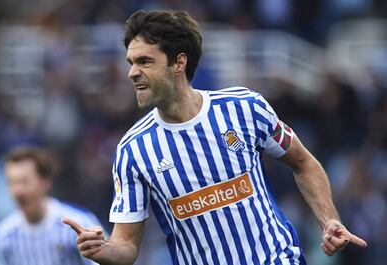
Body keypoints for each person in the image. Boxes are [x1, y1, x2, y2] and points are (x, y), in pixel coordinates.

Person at [63, 10, 367, 265]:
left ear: (178, 63)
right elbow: (126, 245)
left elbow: (303, 163)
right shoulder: (133, 150)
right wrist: (102, 250)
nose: (132, 73)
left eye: (144, 61)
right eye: (131, 62)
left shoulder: (245, 107)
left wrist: (329, 219)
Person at [0, 146, 102, 265]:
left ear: (45, 182)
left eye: (24, 181)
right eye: (11, 182)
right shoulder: (4, 235)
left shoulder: (79, 225)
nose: (17, 191)